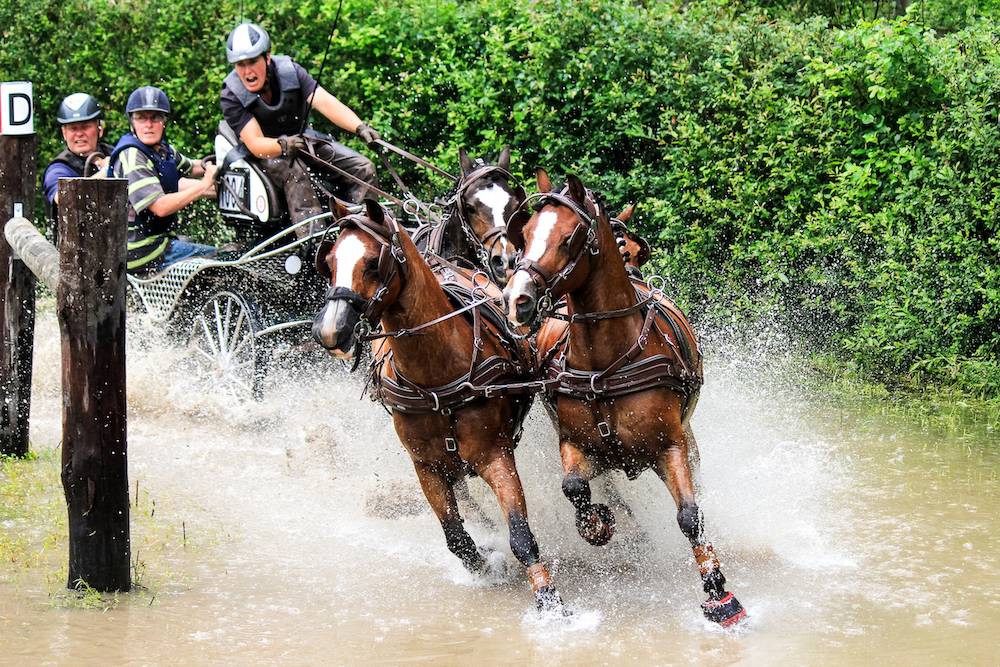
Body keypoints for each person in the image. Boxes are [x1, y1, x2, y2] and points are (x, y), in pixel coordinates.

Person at [220, 22, 379, 226]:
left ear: (267, 57)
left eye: (252, 61)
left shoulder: (290, 71)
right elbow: (256, 143)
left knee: (363, 167)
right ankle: (314, 247)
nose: (247, 71)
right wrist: (283, 145)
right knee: (296, 172)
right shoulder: (231, 95)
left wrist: (359, 127)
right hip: (266, 156)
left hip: (303, 142)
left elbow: (325, 102)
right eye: (240, 64)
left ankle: (362, 231)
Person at [108, 86, 218, 274]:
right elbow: (160, 207)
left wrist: (222, 162)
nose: (148, 124)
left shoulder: (162, 150)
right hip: (139, 251)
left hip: (159, 243)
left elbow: (193, 166)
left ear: (164, 121)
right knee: (221, 259)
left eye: (155, 117)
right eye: (141, 117)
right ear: (132, 122)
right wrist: (204, 186)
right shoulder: (132, 156)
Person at [42, 93, 115, 239]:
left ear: (99, 128)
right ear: (64, 133)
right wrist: (109, 170)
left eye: (85, 127)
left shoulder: (113, 153)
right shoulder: (58, 169)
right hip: (75, 249)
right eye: (73, 128)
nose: (79, 134)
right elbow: (65, 199)